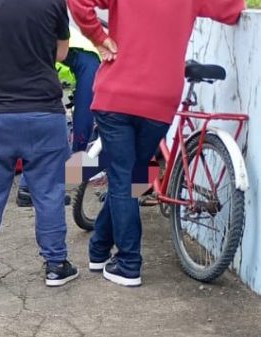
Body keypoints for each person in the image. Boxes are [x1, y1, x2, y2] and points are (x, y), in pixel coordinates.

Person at [68, 0, 244, 287]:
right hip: (161, 101)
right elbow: (232, 10)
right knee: (130, 178)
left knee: (123, 179)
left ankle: (128, 264)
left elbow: (78, 2)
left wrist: (99, 38)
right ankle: (99, 249)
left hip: (117, 95)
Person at [0, 0, 77, 290]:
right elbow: (62, 51)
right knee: (48, 193)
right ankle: (56, 266)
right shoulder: (54, 2)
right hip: (44, 114)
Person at [17, 24, 102, 207]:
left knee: (42, 122)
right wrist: (78, 153)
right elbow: (84, 118)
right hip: (64, 53)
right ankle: (36, 188)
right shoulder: (92, 61)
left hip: (37, 52)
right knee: (55, 127)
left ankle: (28, 186)